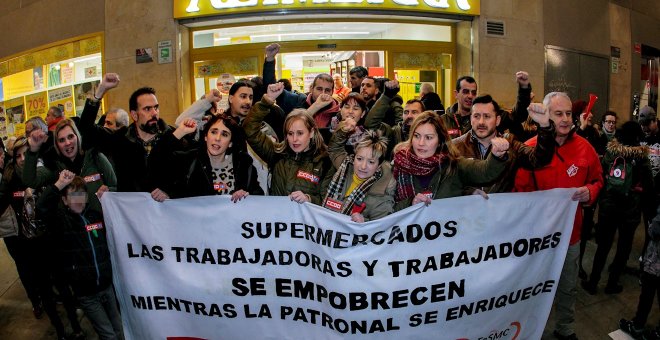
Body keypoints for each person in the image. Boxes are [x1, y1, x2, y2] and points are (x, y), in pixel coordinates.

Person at [514, 92, 603, 340]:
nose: (565, 119)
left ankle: (565, 327)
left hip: (570, 236)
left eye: (568, 114)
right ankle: (529, 331)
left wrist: (591, 191)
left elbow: (598, 179)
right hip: (535, 240)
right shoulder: (529, 149)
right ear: (545, 116)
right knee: (531, 288)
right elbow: (517, 194)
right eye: (558, 114)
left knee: (567, 287)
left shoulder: (585, 148)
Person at [1, 137, 85, 340]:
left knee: (63, 286)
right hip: (29, 245)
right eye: (18, 155)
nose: (22, 159)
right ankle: (60, 331)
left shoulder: (45, 173)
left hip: (53, 239)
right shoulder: (10, 178)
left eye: (26, 154)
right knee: (45, 291)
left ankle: (75, 325)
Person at [37, 173, 123, 340]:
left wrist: (108, 192)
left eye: (81, 194)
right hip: (87, 293)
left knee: (119, 329)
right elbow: (41, 207)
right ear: (64, 200)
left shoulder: (95, 216)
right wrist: (59, 184)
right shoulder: (62, 222)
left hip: (107, 287)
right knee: (108, 335)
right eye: (72, 195)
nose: (77, 199)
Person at [77, 73, 182, 201]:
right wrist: (100, 91)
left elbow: (188, 177)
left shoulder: (174, 137)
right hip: (133, 214)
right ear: (134, 114)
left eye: (156, 107)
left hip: (166, 214)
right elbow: (86, 130)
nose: (154, 113)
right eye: (147, 109)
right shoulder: (121, 140)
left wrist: (169, 191)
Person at [581, 122, 653, 295]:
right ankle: (612, 283)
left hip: (609, 205)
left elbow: (601, 173)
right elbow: (649, 183)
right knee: (624, 246)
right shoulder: (641, 157)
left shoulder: (612, 152)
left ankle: (593, 282)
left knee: (603, 245)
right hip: (631, 207)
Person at [392, 111, 510, 210]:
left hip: (445, 235)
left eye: (429, 137)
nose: (421, 143)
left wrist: (496, 156)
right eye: (417, 136)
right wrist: (410, 203)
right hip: (408, 235)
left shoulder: (453, 165)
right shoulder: (397, 165)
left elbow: (485, 171)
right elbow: (384, 210)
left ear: (440, 141)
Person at [244, 82, 335, 205]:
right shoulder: (277, 153)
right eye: (290, 133)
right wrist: (267, 101)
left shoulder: (325, 161)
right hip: (278, 221)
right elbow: (250, 130)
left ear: (312, 132)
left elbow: (329, 202)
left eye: (300, 133)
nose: (294, 139)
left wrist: (309, 199)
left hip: (306, 223)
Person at [452, 94, 555, 194]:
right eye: (476, 116)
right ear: (471, 119)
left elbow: (539, 159)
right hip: (466, 210)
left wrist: (545, 126)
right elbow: (446, 183)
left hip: (501, 210)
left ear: (497, 120)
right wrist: (467, 193)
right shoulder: (455, 147)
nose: (481, 122)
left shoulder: (511, 144)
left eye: (487, 116)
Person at [151, 114, 263, 199]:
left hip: (231, 228)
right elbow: (155, 159)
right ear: (205, 136)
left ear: (230, 143)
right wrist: (180, 132)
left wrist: (248, 196)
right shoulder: (188, 160)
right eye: (214, 132)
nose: (217, 138)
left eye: (224, 134)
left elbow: (258, 195)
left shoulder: (244, 165)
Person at [23, 118, 116, 214]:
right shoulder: (55, 166)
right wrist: (32, 151)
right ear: (57, 144)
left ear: (77, 136)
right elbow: (30, 180)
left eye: (70, 137)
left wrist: (109, 191)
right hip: (73, 227)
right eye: (62, 140)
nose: (67, 143)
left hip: (102, 224)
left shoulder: (95, 157)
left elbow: (115, 186)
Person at [324, 119, 395, 222]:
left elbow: (382, 227)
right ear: (354, 157)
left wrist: (364, 223)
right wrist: (343, 130)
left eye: (371, 162)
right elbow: (334, 149)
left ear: (379, 165)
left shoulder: (382, 193)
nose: (363, 166)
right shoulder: (346, 166)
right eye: (359, 159)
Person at [619, 203, 660, 340]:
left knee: (647, 294)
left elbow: (655, 229)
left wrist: (650, 224)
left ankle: (637, 327)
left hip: (656, 260)